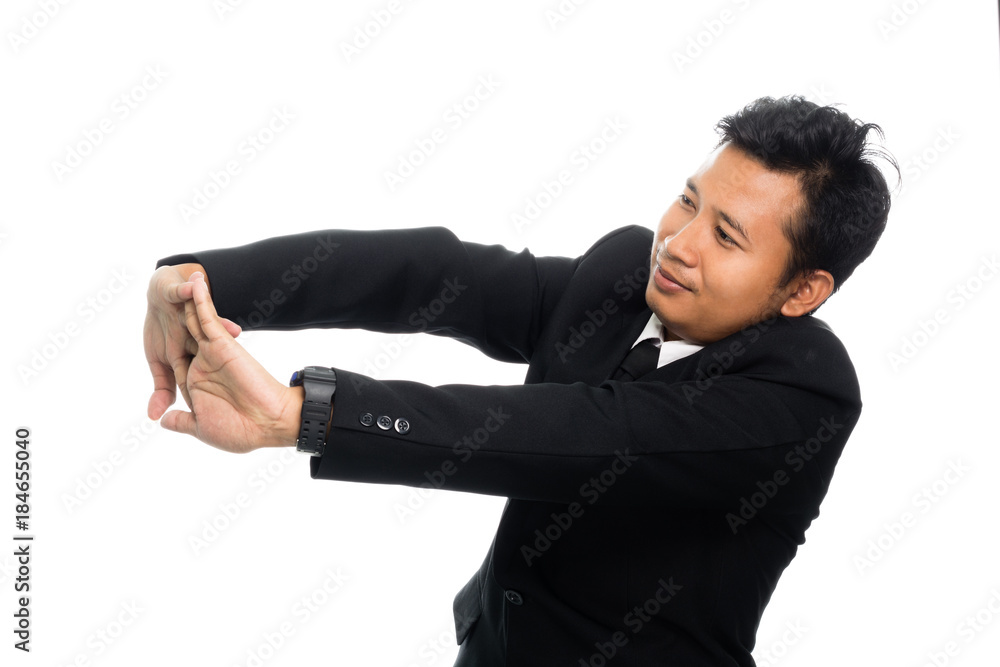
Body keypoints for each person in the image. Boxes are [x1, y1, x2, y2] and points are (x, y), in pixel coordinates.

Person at [144, 95, 897, 665]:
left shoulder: (803, 394)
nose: (678, 243)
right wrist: (204, 281)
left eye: (726, 236)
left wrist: (303, 413)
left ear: (802, 291)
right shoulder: (622, 279)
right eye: (689, 201)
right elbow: (438, 275)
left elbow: (582, 435)